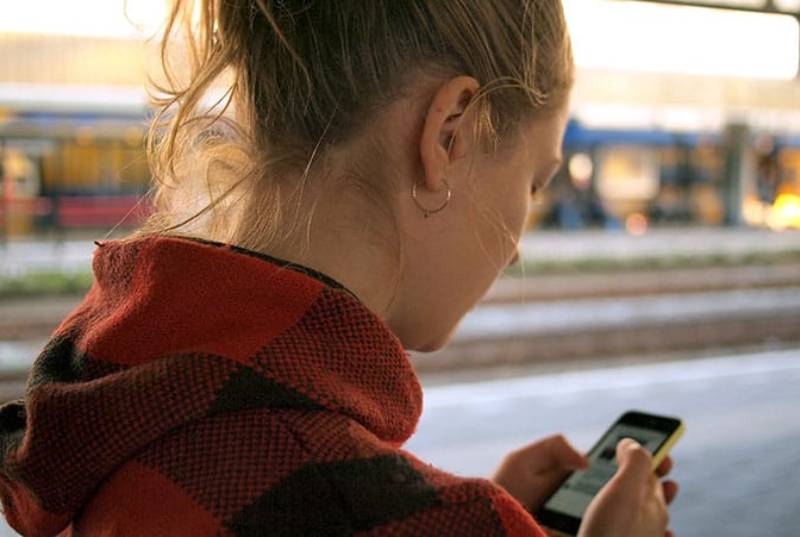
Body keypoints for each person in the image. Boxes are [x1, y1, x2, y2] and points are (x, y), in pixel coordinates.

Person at [0, 1, 678, 535]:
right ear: (450, 133)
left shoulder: (102, 416)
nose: (518, 243)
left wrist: (432, 505)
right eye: (533, 181)